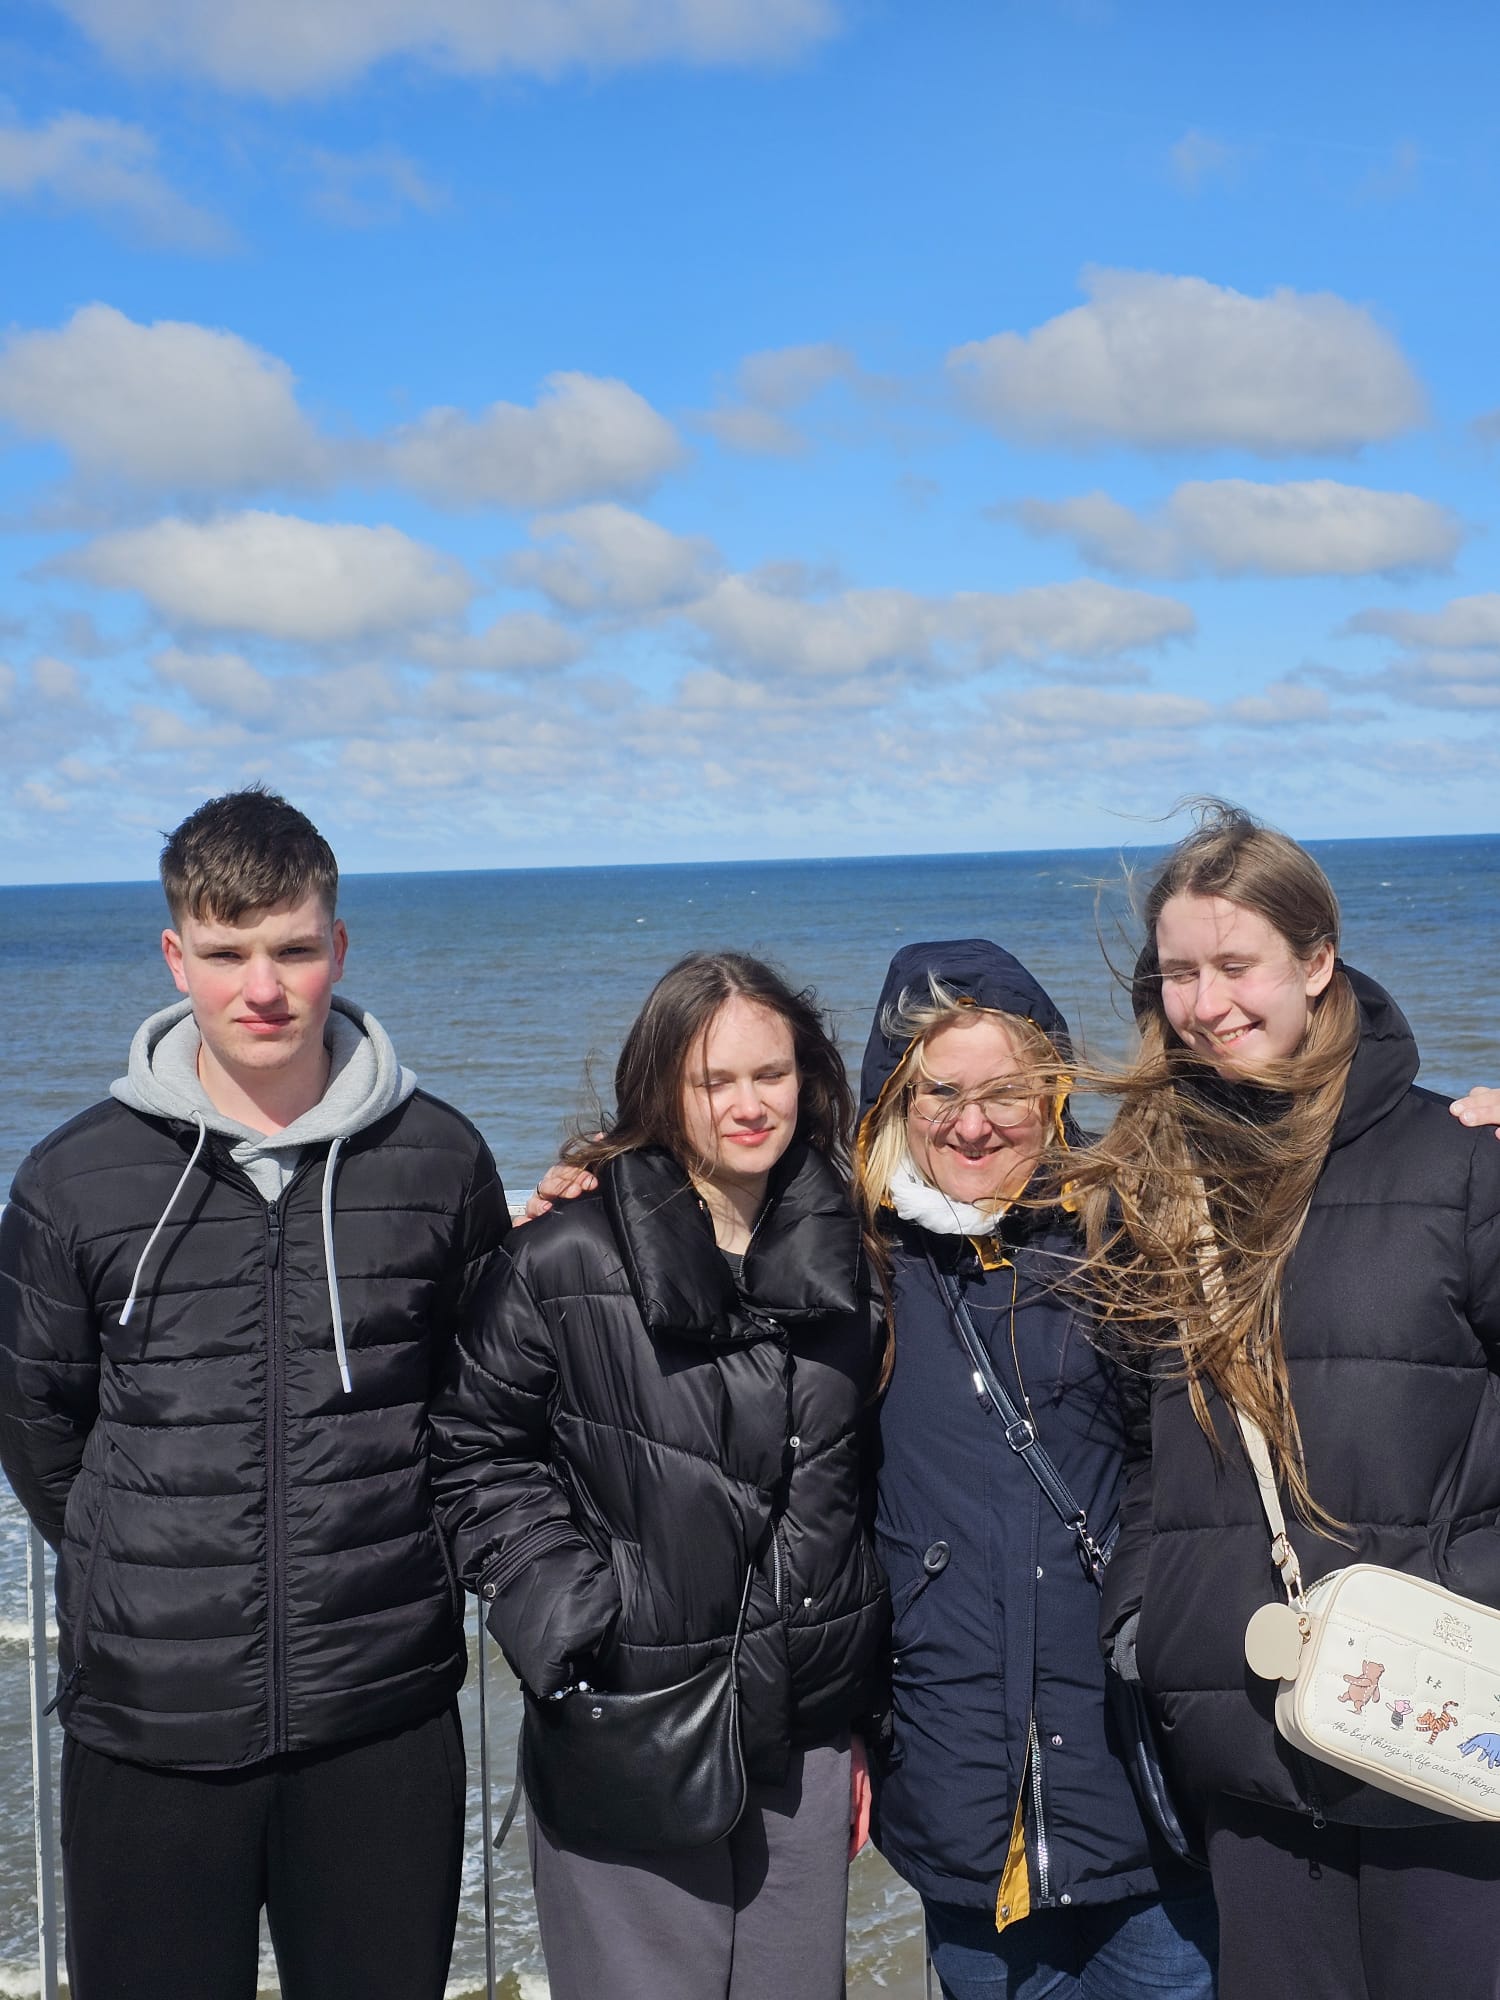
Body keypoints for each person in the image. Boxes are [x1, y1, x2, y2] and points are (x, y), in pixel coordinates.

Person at [0, 787, 510, 2000]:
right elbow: (38, 1426)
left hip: (380, 1712)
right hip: (152, 1727)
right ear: (176, 955)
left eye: (292, 947)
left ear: (340, 945)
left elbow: (481, 1408)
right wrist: (145, 1567)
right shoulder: (73, 1178)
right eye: (227, 953)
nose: (263, 987)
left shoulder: (441, 1157)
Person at [1069, 802, 1500, 2000]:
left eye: (1236, 964)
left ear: (1317, 960)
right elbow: (1145, 1443)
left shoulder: (1460, 1160)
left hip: (1449, 1728)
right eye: (1179, 973)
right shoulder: (1150, 1188)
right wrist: (1151, 1617)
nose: (1206, 1003)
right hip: (1251, 1734)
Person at [430, 951, 888, 2000]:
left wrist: (859, 1714)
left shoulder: (854, 1254)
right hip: (630, 1716)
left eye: (769, 1073)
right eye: (711, 1080)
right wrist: (571, 1607)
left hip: (806, 1737)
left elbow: (855, 1490)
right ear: (660, 1088)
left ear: (808, 1077)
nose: (747, 1104)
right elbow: (469, 1447)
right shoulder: (565, 1254)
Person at [855, 939, 1217, 2000]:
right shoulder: (847, 1256)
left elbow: (1179, 1463)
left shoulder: (1130, 1231)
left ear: (1054, 1089)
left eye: (1005, 1091)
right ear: (895, 1099)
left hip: (1139, 1785)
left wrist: (1453, 1124)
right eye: (941, 1092)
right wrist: (592, 1184)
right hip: (957, 1791)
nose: (973, 1125)